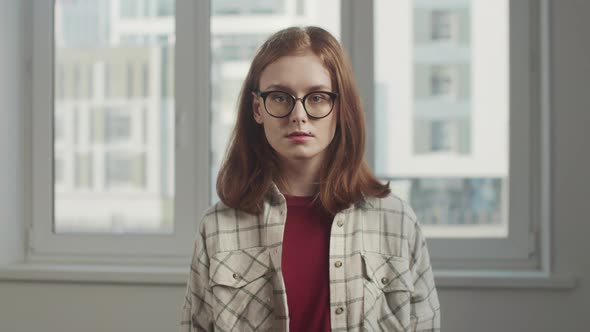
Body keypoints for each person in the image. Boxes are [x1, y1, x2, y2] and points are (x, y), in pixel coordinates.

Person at [181, 26, 440, 332]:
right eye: (280, 97)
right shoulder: (217, 228)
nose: (298, 115)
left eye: (316, 97)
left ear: (339, 107)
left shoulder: (398, 222)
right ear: (257, 108)